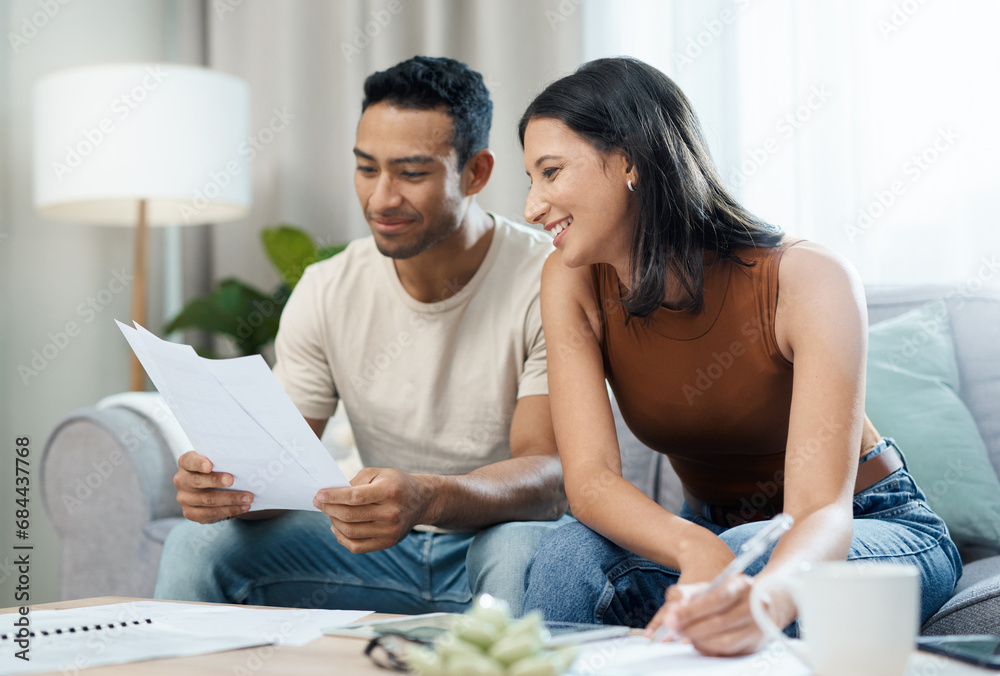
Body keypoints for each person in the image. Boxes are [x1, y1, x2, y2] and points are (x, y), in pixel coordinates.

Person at [518, 57, 962, 656]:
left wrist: (765, 599)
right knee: (567, 552)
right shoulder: (570, 279)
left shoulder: (808, 278)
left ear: (630, 161)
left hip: (863, 524)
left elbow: (820, 513)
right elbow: (591, 485)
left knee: (745, 561)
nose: (532, 207)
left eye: (550, 173)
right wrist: (696, 548)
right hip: (717, 530)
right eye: (530, 180)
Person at [154, 56, 569, 615]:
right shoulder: (328, 288)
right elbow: (279, 469)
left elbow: (547, 474)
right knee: (197, 545)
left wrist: (428, 494)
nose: (381, 199)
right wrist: (228, 488)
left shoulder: (549, 279)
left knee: (521, 546)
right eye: (367, 168)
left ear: (476, 172)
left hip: (492, 540)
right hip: (375, 550)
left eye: (412, 173)